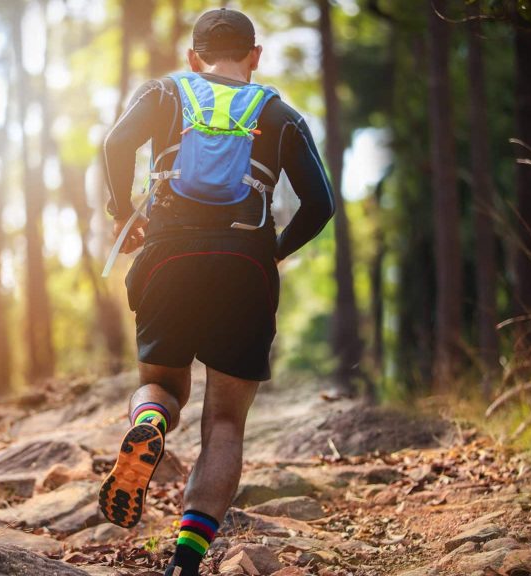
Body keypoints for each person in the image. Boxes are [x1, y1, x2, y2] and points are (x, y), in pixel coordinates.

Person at [98, 8, 335, 576]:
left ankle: (150, 423)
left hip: (166, 257)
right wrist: (269, 252)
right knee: (225, 423)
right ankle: (186, 560)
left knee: (160, 385)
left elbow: (114, 144)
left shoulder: (163, 92)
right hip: (244, 266)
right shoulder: (279, 114)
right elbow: (320, 205)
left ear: (193, 57)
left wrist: (123, 212)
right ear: (256, 56)